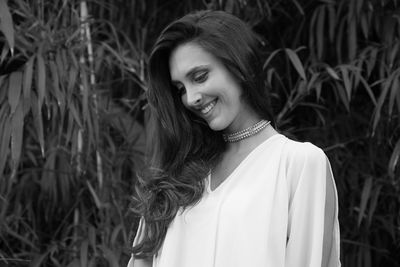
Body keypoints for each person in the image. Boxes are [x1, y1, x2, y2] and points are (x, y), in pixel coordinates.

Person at [128, 10, 341, 267]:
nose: (191, 98)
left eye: (200, 77)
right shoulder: (176, 173)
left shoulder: (297, 164)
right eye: (180, 89)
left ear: (237, 66)